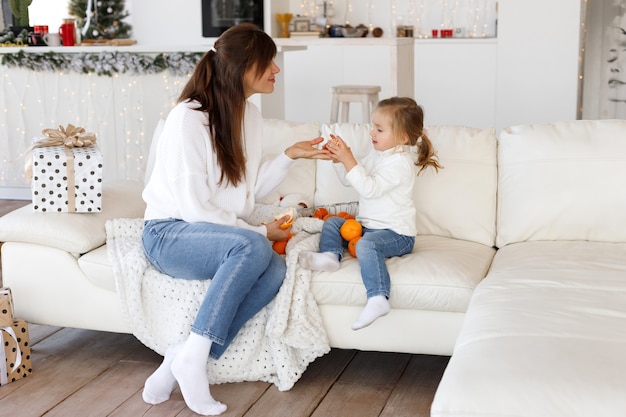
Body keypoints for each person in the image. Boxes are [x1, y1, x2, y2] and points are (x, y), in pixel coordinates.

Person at [140, 23, 330, 416]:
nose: (276, 70)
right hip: (169, 234)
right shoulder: (187, 120)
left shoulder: (250, 116)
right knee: (253, 245)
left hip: (210, 234)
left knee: (275, 270)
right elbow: (195, 210)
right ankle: (192, 361)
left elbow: (245, 193)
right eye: (267, 63)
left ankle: (186, 353)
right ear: (242, 67)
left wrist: (288, 156)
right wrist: (259, 231)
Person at [299, 97, 442, 331]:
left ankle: (378, 297)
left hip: (397, 234)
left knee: (366, 245)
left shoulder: (400, 164)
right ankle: (330, 257)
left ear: (403, 137)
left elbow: (369, 188)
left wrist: (349, 160)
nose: (371, 132)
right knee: (334, 223)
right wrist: (340, 160)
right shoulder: (378, 154)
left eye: (379, 129)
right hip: (370, 227)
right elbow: (353, 180)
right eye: (372, 126)